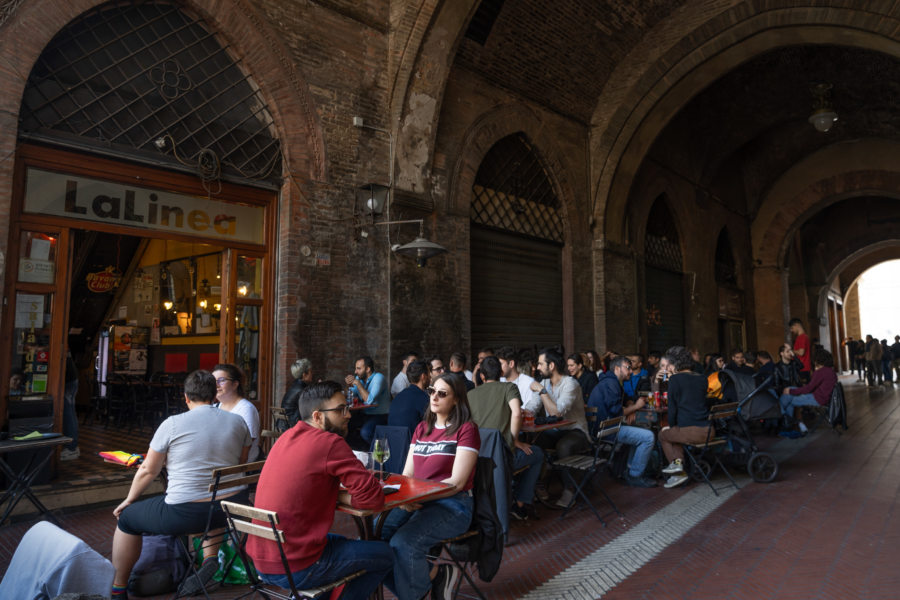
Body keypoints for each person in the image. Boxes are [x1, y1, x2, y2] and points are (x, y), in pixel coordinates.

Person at [109, 370, 251, 599]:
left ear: (185, 397)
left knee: (127, 520)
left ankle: (118, 589)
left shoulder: (172, 424)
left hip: (187, 513)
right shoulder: (239, 422)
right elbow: (239, 463)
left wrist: (129, 500)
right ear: (215, 394)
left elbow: (148, 470)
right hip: (232, 508)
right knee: (214, 494)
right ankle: (211, 559)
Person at [247, 381, 393, 600]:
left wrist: (334, 493)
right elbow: (372, 499)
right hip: (297, 566)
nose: (348, 415)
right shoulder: (330, 442)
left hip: (263, 559)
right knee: (385, 554)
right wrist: (344, 494)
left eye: (347, 408)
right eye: (340, 410)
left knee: (348, 545)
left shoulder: (285, 437)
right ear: (317, 416)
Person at [379, 373, 480, 600]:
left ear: (456, 399)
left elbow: (457, 482)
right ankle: (435, 576)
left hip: (453, 505)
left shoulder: (466, 429)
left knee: (403, 543)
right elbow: (407, 474)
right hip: (415, 500)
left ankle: (415, 592)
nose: (434, 397)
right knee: (372, 540)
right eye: (432, 391)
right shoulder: (422, 428)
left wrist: (419, 496)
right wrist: (403, 498)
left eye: (442, 393)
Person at [467, 356, 544, 519]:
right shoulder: (509, 387)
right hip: (503, 459)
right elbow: (517, 413)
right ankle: (520, 504)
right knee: (537, 453)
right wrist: (515, 441)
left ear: (482, 376)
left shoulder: (470, 394)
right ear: (501, 372)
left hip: (477, 461)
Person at [529, 349, 590, 508]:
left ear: (552, 365)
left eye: (541, 364)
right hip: (556, 431)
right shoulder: (544, 383)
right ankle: (539, 484)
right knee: (534, 442)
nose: (537, 368)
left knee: (563, 446)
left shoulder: (570, 383)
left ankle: (569, 490)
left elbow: (556, 412)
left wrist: (542, 392)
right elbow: (533, 407)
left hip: (576, 430)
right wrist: (521, 411)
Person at [586, 355, 656, 487]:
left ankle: (628, 470)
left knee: (641, 429)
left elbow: (624, 399)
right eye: (627, 368)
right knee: (648, 437)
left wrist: (630, 405)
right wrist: (636, 407)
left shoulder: (611, 381)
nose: (630, 371)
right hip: (606, 430)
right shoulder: (611, 384)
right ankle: (634, 475)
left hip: (607, 426)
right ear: (617, 368)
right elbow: (616, 412)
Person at [659, 346, 711, 489]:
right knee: (675, 434)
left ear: (675, 364)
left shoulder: (675, 379)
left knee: (663, 435)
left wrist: (670, 425)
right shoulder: (702, 378)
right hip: (708, 430)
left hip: (692, 431)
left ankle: (678, 472)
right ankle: (678, 465)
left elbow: (672, 409)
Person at [779, 348, 837, 435]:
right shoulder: (831, 371)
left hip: (817, 399)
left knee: (788, 397)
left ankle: (782, 418)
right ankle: (787, 421)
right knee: (789, 391)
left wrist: (790, 391)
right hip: (824, 398)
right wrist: (792, 390)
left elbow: (808, 389)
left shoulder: (820, 372)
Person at [213, 363, 261, 461]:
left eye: (221, 380)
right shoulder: (214, 407)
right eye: (213, 381)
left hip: (239, 468)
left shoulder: (246, 409)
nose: (216, 385)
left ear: (235, 384)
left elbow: (247, 446)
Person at [345, 355, 391, 445]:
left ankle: (379, 452)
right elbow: (349, 396)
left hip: (381, 415)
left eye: (358, 369)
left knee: (365, 432)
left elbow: (369, 401)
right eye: (355, 369)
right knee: (345, 426)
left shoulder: (379, 378)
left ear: (368, 369)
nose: (355, 372)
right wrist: (349, 386)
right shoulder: (359, 379)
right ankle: (357, 453)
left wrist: (358, 385)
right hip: (365, 414)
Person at [388, 359, 430, 436]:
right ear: (423, 376)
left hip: (393, 442)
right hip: (412, 444)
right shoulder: (424, 398)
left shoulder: (398, 397)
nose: (430, 377)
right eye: (429, 373)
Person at [496, 346, 540, 414]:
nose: (497, 367)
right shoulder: (498, 381)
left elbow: (528, 411)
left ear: (511, 364)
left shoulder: (528, 382)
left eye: (500, 364)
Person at [281, 358, 312, 428]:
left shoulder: (294, 386)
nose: (312, 374)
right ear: (304, 375)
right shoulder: (303, 390)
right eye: (310, 372)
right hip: (292, 425)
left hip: (284, 424)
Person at [60, 350, 80, 461]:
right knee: (70, 412)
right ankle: (72, 447)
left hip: (68, 379)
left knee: (68, 413)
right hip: (71, 378)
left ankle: (72, 448)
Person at [789, 318, 812, 384]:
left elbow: (801, 352)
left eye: (792, 328)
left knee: (803, 390)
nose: (791, 330)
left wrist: (791, 350)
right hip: (805, 367)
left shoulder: (802, 337)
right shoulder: (804, 336)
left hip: (802, 368)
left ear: (796, 325)